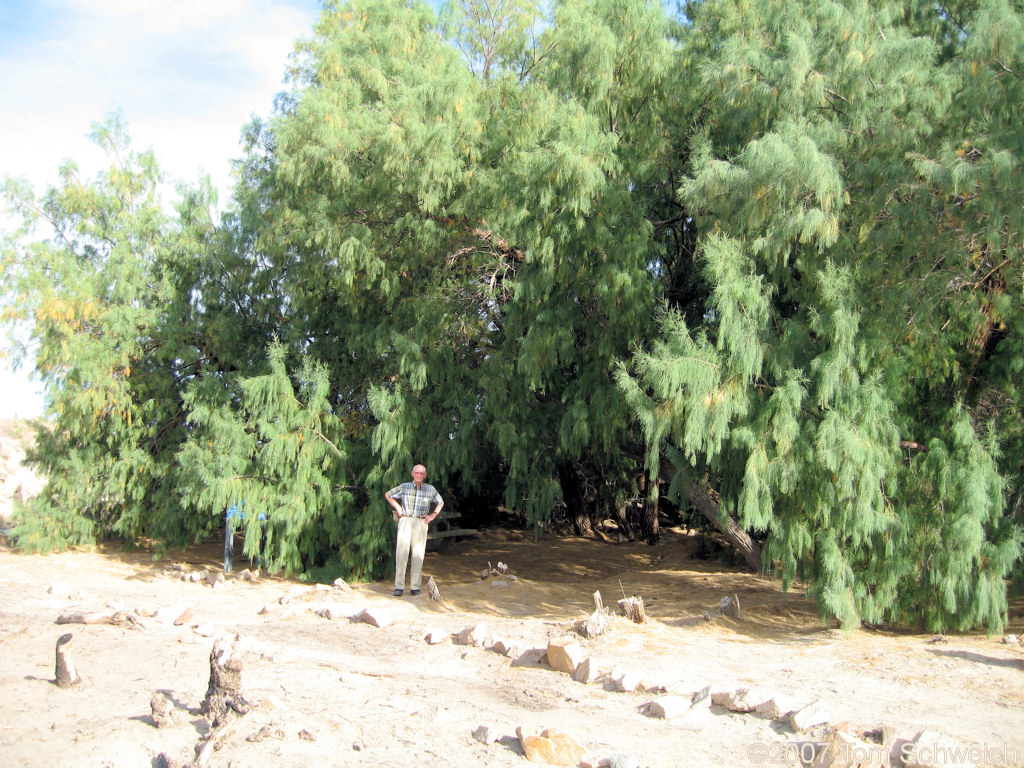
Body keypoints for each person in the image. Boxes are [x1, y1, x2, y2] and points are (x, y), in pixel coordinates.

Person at [385, 464, 444, 596]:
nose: (418, 475)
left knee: (418, 554)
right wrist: (398, 507)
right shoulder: (404, 487)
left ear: (425, 475)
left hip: (421, 522)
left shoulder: (430, 489)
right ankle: (399, 586)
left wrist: (433, 515)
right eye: (416, 472)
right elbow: (388, 494)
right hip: (405, 520)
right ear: (412, 474)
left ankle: (415, 587)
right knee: (401, 553)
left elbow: (440, 502)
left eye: (421, 473)